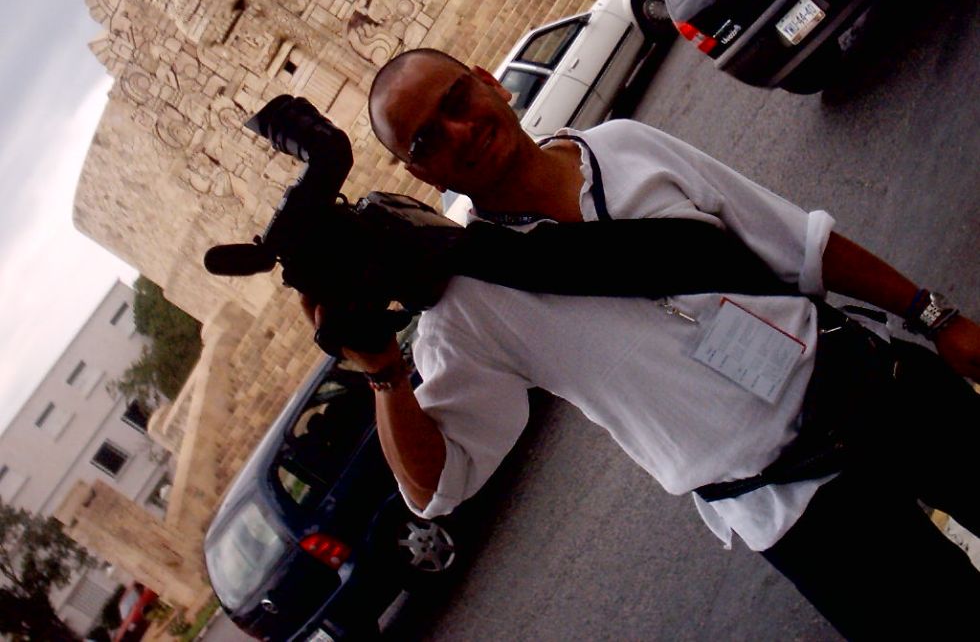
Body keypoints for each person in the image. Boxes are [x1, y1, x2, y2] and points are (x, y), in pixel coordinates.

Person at [305, 47, 980, 639]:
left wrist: (933, 314)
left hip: (877, 388)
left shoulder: (623, 147)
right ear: (421, 175)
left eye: (457, 100)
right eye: (426, 141)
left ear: (490, 82)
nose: (458, 132)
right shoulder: (467, 310)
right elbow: (438, 486)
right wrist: (383, 371)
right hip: (799, 508)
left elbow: (796, 243)